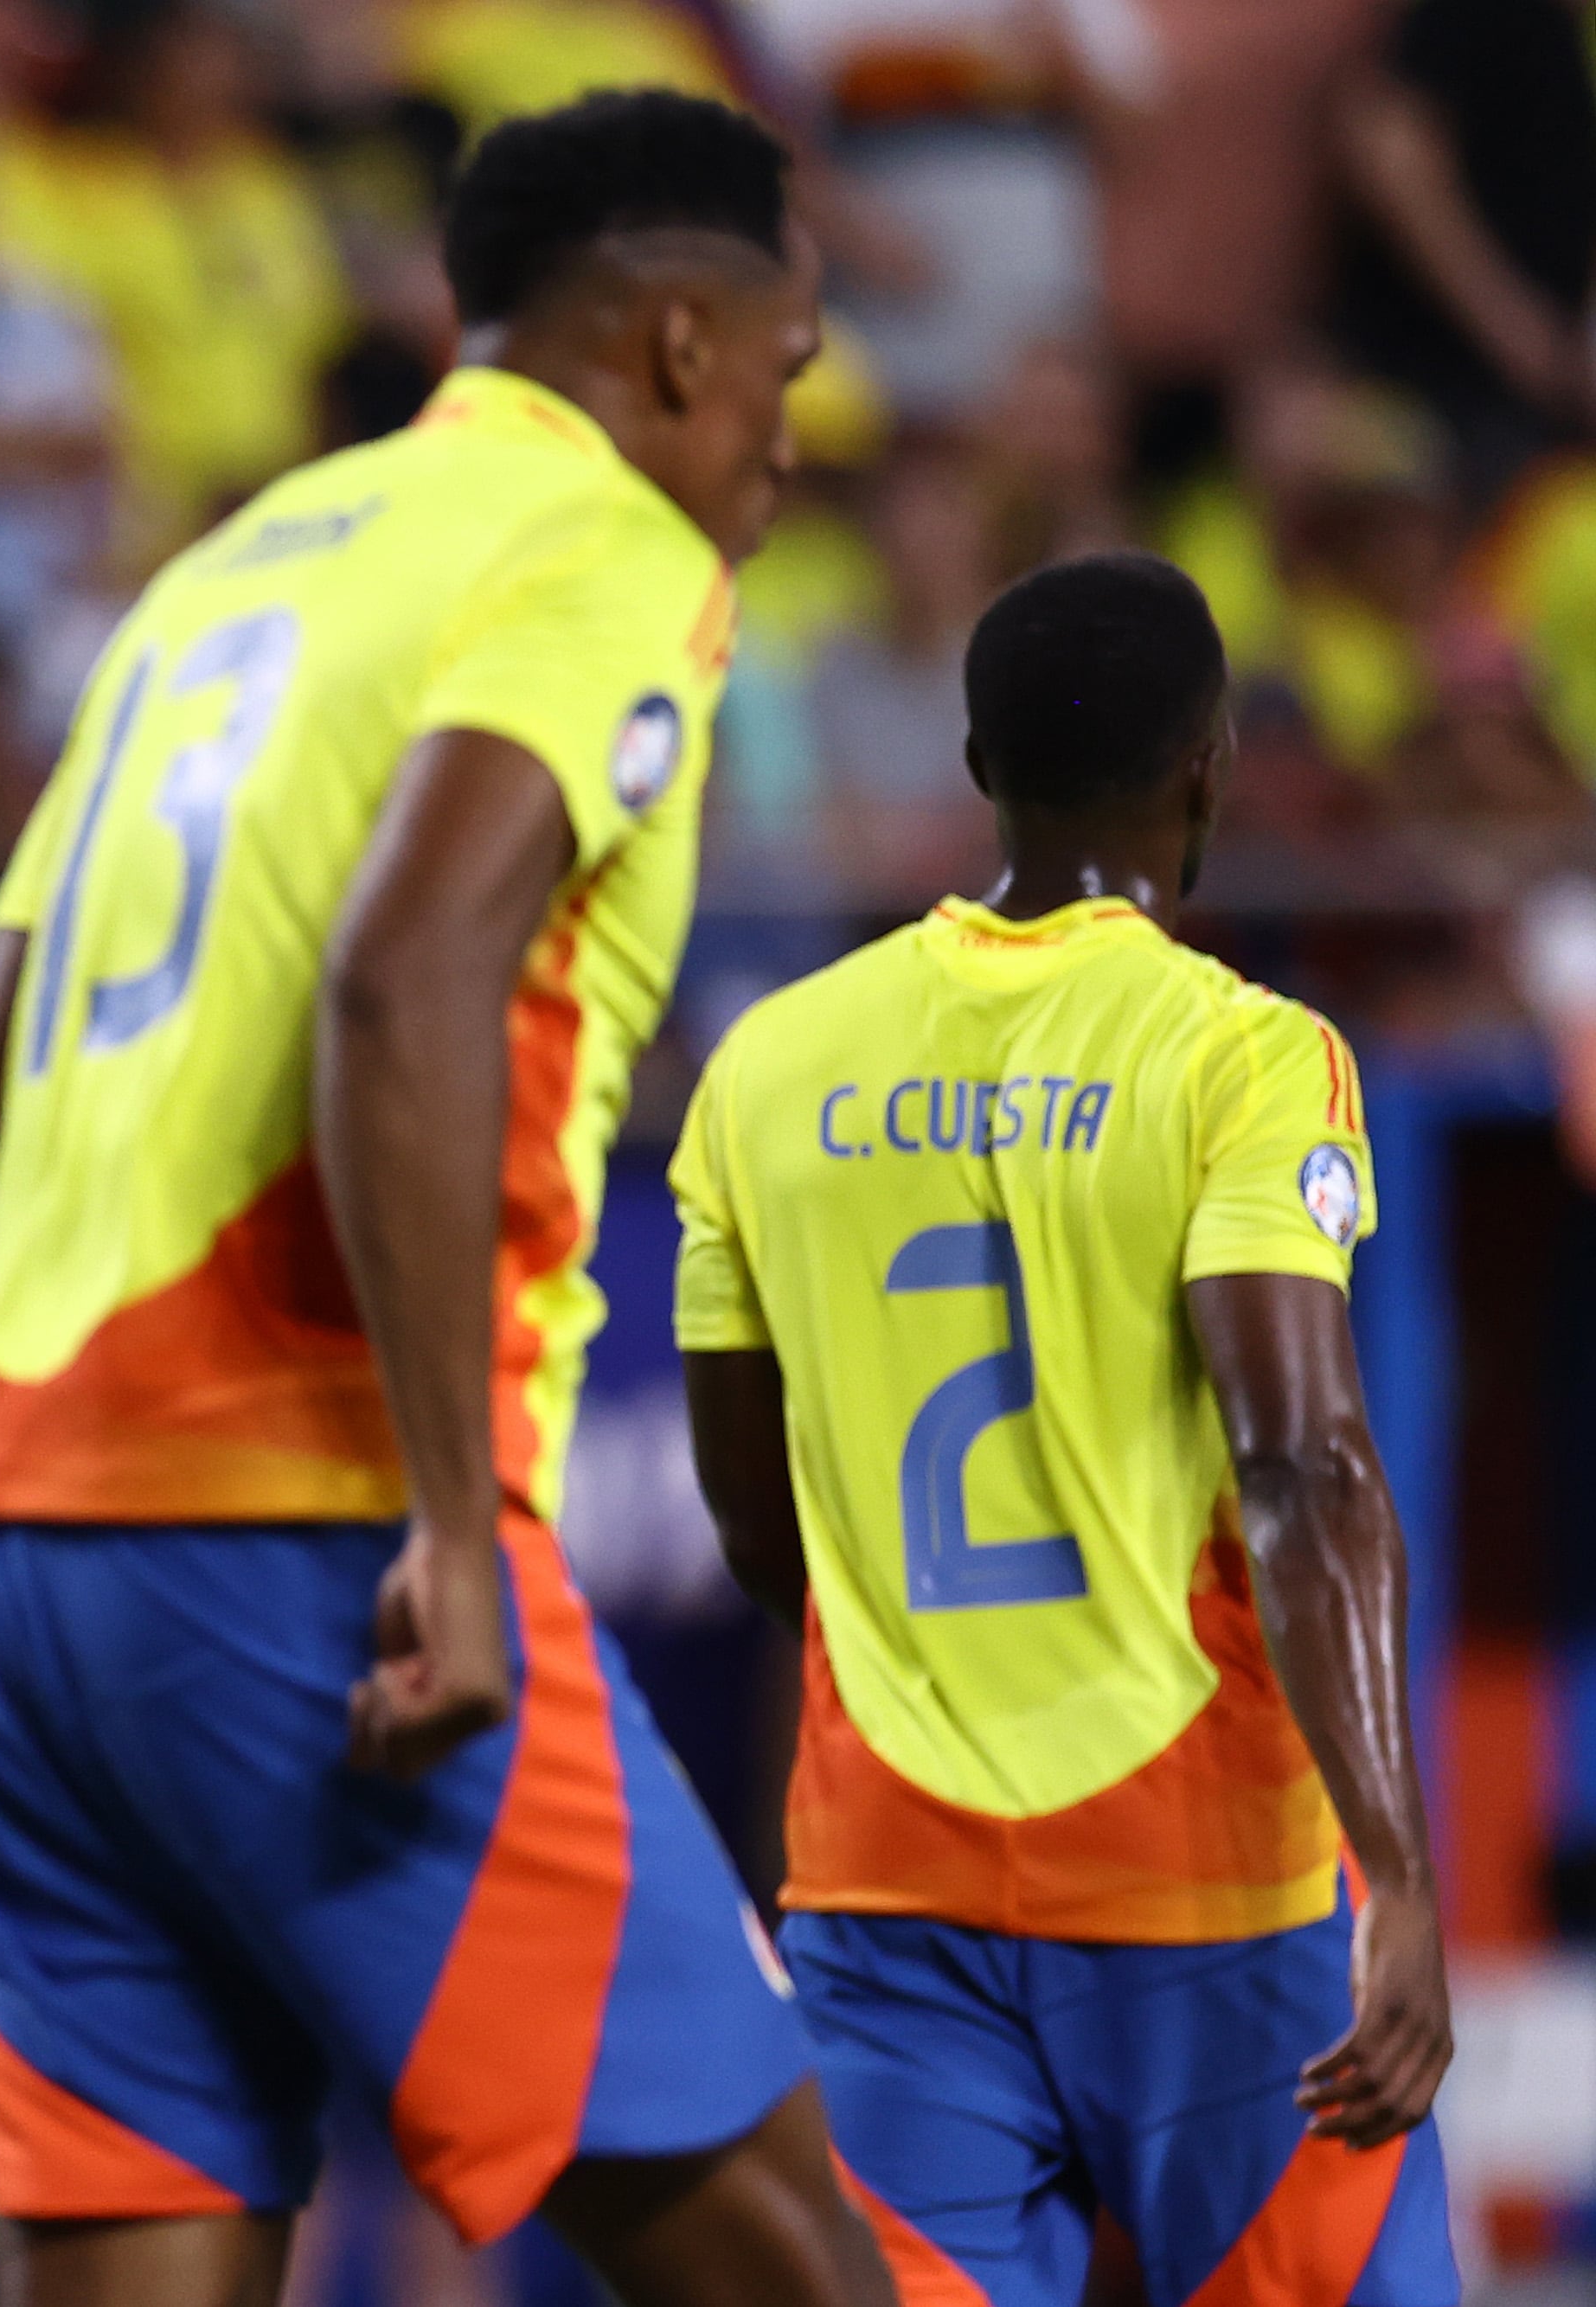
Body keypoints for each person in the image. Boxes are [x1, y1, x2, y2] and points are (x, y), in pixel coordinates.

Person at [0, 92, 887, 2307]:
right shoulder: (608, 548)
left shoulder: (216, 575)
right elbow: (408, 967)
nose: (788, 446)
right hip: (317, 1535)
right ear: (669, 342)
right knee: (821, 2256)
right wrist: (445, 1509)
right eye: (788, 372)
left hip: (0, 1554)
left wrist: (4, 1510)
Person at [670, 552, 1458, 2306]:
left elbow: (750, 1523)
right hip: (1213, 1907)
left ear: (973, 763)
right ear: (1210, 764)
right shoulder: (1241, 1058)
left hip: (882, 1895)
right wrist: (1393, 1873)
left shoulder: (762, 1071)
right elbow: (1301, 1463)